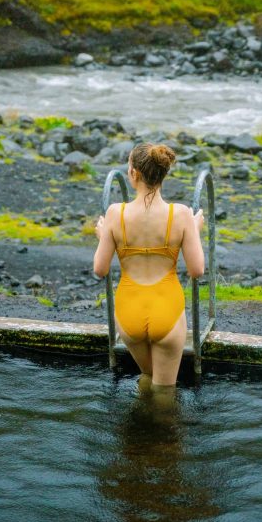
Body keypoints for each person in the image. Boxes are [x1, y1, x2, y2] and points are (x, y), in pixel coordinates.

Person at [93, 142, 205, 394]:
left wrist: (103, 237)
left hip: (128, 310)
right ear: (163, 173)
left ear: (133, 173)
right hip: (166, 307)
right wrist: (193, 232)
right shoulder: (182, 215)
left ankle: (139, 431)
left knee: (147, 375)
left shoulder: (114, 213)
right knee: (164, 391)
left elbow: (100, 269)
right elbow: (197, 270)